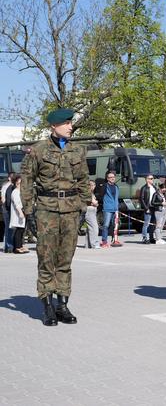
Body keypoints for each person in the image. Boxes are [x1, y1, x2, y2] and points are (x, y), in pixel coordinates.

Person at [20, 108, 91, 326]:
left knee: (65, 259)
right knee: (46, 259)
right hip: (46, 211)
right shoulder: (38, 151)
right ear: (54, 126)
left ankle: (62, 305)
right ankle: (47, 306)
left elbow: (83, 180)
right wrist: (28, 211)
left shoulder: (77, 150)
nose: (71, 127)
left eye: (71, 123)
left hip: (71, 210)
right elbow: (27, 181)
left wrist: (83, 207)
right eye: (67, 123)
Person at [95, 171, 121, 248]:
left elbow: (116, 197)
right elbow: (100, 196)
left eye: (113, 177)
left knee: (115, 225)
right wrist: (104, 203)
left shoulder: (116, 186)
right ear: (107, 178)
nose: (112, 178)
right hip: (107, 209)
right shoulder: (105, 186)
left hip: (115, 208)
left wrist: (117, 206)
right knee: (106, 225)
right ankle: (104, 241)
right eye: (110, 177)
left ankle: (114, 240)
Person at [9, 175, 29, 254]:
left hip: (22, 212)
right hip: (18, 213)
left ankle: (20, 246)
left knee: (21, 230)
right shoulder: (15, 192)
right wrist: (20, 213)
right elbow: (17, 204)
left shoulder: (20, 191)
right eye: (20, 183)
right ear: (17, 183)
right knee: (18, 231)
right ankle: (17, 247)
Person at [139, 174, 156, 244]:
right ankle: (144, 238)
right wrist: (146, 208)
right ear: (147, 179)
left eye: (153, 178)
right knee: (146, 224)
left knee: (152, 224)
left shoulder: (154, 187)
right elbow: (141, 199)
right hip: (148, 207)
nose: (152, 180)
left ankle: (151, 238)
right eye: (151, 178)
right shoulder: (144, 188)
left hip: (154, 208)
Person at [84, 180, 100, 249]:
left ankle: (88, 245)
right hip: (89, 211)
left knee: (90, 228)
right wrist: (94, 203)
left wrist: (95, 203)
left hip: (93, 211)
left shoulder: (92, 193)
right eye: (91, 185)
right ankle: (94, 244)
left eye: (94, 185)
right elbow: (87, 201)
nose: (93, 186)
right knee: (95, 228)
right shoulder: (86, 192)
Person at [2, 172, 16, 253]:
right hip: (7, 209)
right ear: (9, 178)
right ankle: (8, 246)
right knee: (8, 228)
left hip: (8, 209)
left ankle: (8, 246)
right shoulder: (6, 186)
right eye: (12, 177)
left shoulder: (10, 186)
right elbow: (3, 199)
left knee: (9, 228)